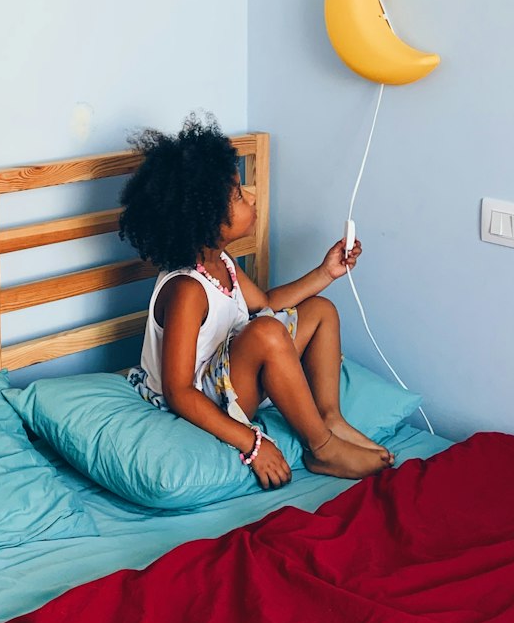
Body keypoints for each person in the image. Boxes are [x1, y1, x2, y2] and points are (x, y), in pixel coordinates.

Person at [119, 113, 393, 491]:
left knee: (320, 310)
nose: (250, 196)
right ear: (206, 219)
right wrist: (252, 443)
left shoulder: (223, 263)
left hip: (230, 375)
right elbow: (178, 391)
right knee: (265, 332)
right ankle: (321, 447)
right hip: (200, 399)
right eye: (237, 195)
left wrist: (325, 273)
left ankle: (328, 417)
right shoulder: (187, 290)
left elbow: (266, 302)